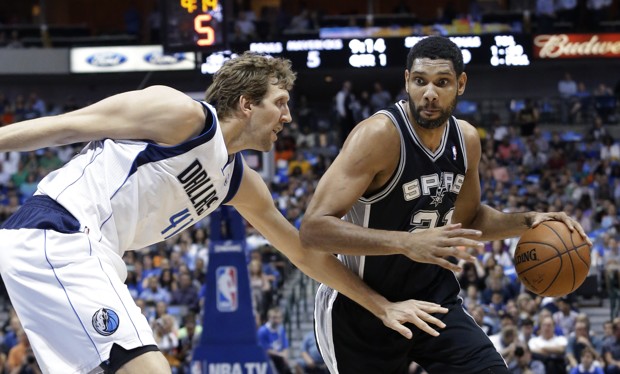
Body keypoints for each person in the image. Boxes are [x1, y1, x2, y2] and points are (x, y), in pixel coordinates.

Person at [0, 52, 450, 374]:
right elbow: (62, 126)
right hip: (60, 233)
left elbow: (303, 252)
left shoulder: (238, 181)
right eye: (280, 102)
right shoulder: (179, 114)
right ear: (247, 103)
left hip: (70, 253)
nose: (288, 117)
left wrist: (382, 306)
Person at [300, 36, 590, 374]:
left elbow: (469, 220)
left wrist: (529, 221)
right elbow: (313, 229)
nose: (430, 93)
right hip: (361, 305)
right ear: (407, 80)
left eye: (442, 83)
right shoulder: (378, 135)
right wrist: (406, 243)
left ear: (461, 85)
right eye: (420, 81)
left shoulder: (466, 139)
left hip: (432, 298)